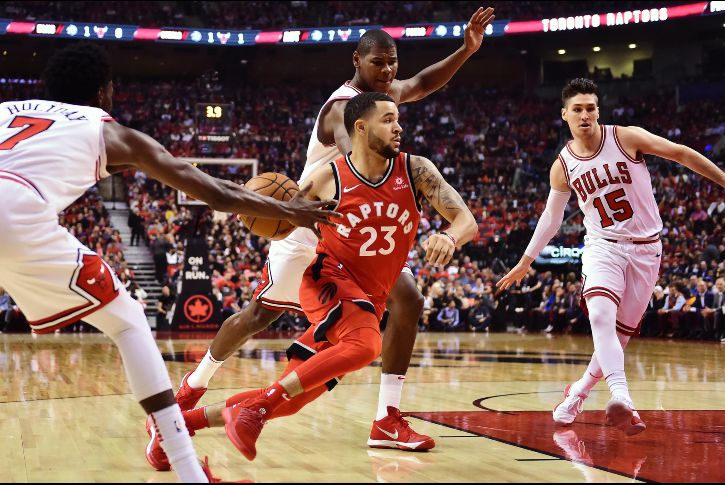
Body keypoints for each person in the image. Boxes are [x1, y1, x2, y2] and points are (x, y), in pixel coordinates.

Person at [0, 43, 338, 483]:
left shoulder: (7, 107)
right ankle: (185, 468)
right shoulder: (107, 130)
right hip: (14, 212)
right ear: (105, 92)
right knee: (128, 323)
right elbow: (214, 193)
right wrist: (290, 212)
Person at [170, 7, 495, 460]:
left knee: (408, 300)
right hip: (311, 223)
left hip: (353, 229)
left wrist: (465, 50)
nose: (388, 71)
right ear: (356, 61)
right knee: (258, 317)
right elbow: (357, 159)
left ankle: (387, 417)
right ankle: (193, 386)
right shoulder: (341, 110)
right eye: (378, 62)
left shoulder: (384, 94)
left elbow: (421, 84)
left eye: (392, 61)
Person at [497, 78, 725, 436]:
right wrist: (526, 260)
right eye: (578, 109)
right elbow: (552, 217)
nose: (585, 114)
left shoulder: (626, 137)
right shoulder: (563, 165)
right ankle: (622, 397)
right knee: (601, 316)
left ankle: (578, 392)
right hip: (603, 246)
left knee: (617, 339)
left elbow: (680, 152)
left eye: (590, 107)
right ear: (565, 115)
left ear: (598, 111)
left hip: (647, 249)